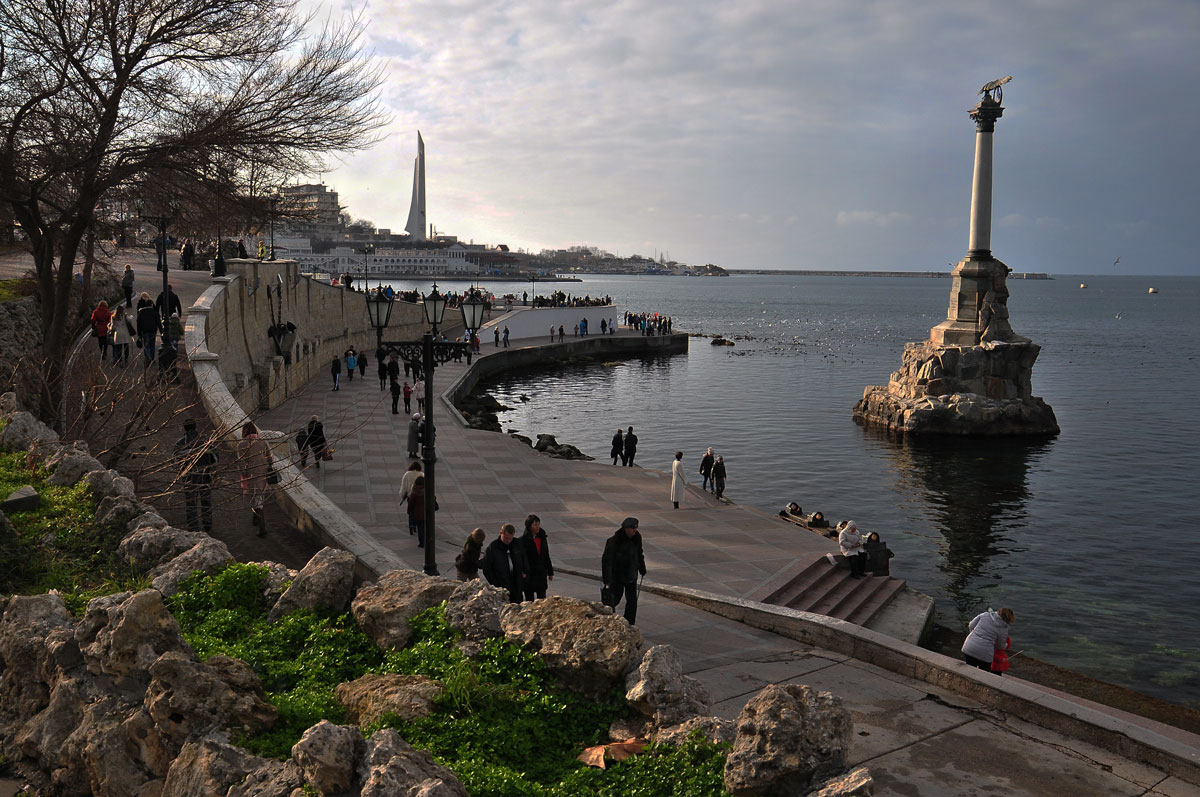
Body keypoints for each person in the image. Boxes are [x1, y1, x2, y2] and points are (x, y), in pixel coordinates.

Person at [175, 419, 217, 532]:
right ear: (195, 426)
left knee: (191, 503)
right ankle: (207, 524)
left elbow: (176, 462)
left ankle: (193, 526)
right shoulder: (205, 440)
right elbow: (215, 458)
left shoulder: (180, 443)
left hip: (189, 477)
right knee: (206, 501)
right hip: (205, 475)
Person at [602, 517, 646, 624]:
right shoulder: (614, 541)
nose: (635, 530)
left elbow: (639, 553)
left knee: (632, 601)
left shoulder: (637, 537)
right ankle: (606, 619)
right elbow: (607, 561)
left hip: (631, 574)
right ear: (626, 528)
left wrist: (642, 568)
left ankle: (629, 623)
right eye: (632, 528)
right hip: (618, 576)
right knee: (615, 598)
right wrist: (607, 580)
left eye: (636, 527)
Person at [238, 421, 273, 537]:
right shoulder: (262, 441)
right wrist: (268, 466)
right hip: (263, 474)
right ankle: (256, 517)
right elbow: (270, 456)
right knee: (258, 497)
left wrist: (244, 473)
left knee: (257, 500)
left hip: (251, 475)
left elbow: (242, 463)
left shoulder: (242, 444)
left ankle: (262, 528)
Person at [482, 523, 528, 602]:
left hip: (516, 584)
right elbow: (487, 568)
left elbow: (524, 559)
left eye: (510, 538)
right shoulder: (493, 548)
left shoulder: (517, 544)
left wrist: (525, 573)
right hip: (501, 586)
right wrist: (495, 583)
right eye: (506, 538)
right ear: (501, 533)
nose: (508, 541)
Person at [961, 608, 1015, 675]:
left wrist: (975, 636)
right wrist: (1006, 645)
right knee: (984, 674)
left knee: (969, 669)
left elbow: (971, 625)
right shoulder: (1004, 628)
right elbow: (1000, 646)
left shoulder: (985, 615)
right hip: (985, 653)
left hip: (969, 646)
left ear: (998, 611)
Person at [520, 514, 554, 601]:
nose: (537, 527)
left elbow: (546, 555)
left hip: (541, 574)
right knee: (529, 601)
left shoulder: (542, 538)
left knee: (542, 600)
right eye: (535, 525)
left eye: (538, 524)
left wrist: (550, 572)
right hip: (529, 575)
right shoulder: (522, 541)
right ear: (529, 526)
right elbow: (521, 559)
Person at [135, 292, 161, 365]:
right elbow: (158, 319)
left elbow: (138, 322)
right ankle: (152, 359)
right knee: (152, 345)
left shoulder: (140, 310)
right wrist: (161, 331)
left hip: (144, 329)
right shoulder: (153, 310)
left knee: (146, 345)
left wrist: (139, 333)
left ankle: (148, 358)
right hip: (153, 329)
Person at [408, 475, 428, 546]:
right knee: (426, 527)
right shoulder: (427, 489)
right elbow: (433, 498)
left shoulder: (414, 491)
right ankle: (428, 541)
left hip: (418, 513)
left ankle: (422, 542)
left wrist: (409, 511)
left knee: (420, 528)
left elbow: (411, 503)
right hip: (427, 512)